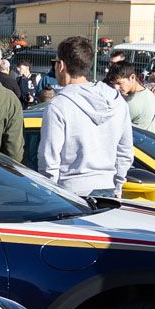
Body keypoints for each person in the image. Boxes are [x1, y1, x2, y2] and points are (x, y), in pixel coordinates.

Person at [38, 36, 133, 197]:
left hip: (69, 192)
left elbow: (49, 159)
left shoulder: (58, 106)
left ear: (61, 65)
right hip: (107, 188)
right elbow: (125, 151)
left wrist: (50, 195)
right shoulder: (117, 101)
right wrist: (117, 185)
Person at [111, 62, 155, 132]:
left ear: (132, 78)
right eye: (114, 83)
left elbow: (113, 128)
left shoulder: (132, 103)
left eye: (119, 83)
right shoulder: (148, 93)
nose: (116, 88)